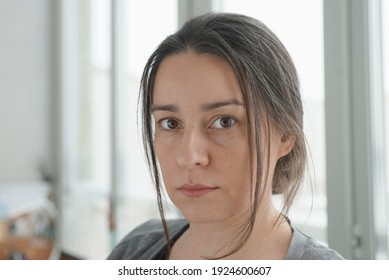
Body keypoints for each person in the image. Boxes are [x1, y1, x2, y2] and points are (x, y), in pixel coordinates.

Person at [107, 12, 343, 260]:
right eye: (171, 123)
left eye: (224, 122)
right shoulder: (135, 250)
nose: (190, 157)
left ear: (284, 134)